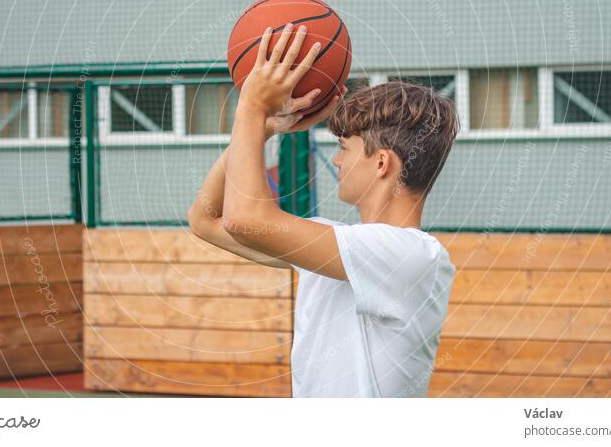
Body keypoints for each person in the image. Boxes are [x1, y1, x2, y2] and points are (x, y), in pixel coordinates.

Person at [187, 23, 458, 397]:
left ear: (381, 164)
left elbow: (245, 219)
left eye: (344, 148)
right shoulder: (338, 249)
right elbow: (205, 219)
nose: (335, 160)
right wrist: (264, 130)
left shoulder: (413, 256)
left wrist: (250, 109)